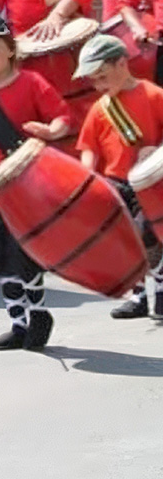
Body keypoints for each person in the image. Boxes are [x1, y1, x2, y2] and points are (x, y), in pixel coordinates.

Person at [0, 13, 71, 350]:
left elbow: (62, 117)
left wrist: (51, 131)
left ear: (10, 51)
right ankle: (17, 325)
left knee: (26, 260)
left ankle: (38, 314)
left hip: (26, 192)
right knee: (2, 264)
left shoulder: (31, 83)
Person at [74, 34, 163, 319]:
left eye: (103, 76)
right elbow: (89, 148)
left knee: (148, 236)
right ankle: (138, 296)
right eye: (94, 81)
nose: (99, 85)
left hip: (150, 183)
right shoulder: (101, 108)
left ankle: (160, 288)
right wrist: (85, 177)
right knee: (126, 240)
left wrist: (156, 150)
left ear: (122, 63)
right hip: (116, 183)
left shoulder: (152, 95)